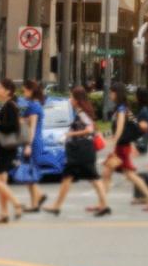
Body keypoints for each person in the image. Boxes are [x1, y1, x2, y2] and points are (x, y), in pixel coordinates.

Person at [43, 87, 110, 217]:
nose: (69, 100)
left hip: (82, 150)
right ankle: (57, 206)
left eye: (71, 97)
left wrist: (70, 133)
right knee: (84, 178)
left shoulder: (82, 113)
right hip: (82, 150)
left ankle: (57, 206)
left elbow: (89, 129)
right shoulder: (81, 112)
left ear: (77, 99)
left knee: (90, 178)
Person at [100, 82, 148, 211]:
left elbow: (120, 127)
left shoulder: (122, 109)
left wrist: (114, 141)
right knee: (109, 173)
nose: (110, 94)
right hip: (122, 146)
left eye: (111, 92)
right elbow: (135, 124)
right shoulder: (124, 108)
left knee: (127, 174)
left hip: (121, 147)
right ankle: (103, 203)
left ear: (117, 93)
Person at [0, 79, 24, 224]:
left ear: (8, 91)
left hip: (4, 149)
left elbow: (13, 127)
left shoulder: (10, 105)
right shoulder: (1, 105)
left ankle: (16, 203)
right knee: (2, 181)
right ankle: (3, 214)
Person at [21, 80, 47, 213]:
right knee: (28, 173)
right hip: (34, 141)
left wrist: (28, 145)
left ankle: (37, 200)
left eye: (24, 90)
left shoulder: (34, 106)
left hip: (33, 142)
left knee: (29, 173)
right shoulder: (34, 105)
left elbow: (32, 127)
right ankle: (35, 202)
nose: (23, 93)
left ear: (30, 90)